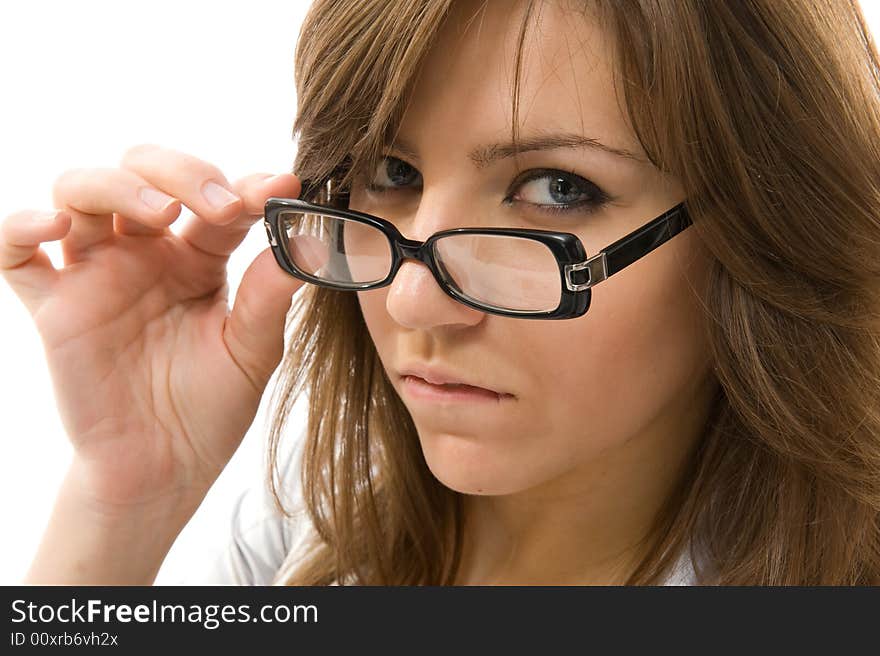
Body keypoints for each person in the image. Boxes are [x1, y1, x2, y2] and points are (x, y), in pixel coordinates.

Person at [3, 0, 880, 586]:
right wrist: (122, 500)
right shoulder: (310, 516)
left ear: (763, 228)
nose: (415, 305)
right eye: (390, 170)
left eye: (558, 189)